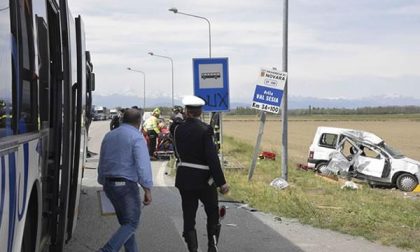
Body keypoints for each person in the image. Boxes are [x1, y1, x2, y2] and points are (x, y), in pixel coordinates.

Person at [170, 95, 229, 252]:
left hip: (184, 178)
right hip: (204, 180)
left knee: (189, 215)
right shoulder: (205, 130)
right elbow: (212, 158)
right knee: (212, 212)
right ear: (200, 111)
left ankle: (192, 249)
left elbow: (177, 152)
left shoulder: (177, 129)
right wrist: (221, 182)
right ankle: (212, 245)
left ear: (186, 111)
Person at [97, 108, 153, 252]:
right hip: (126, 186)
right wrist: (147, 189)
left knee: (126, 224)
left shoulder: (109, 136)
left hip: (110, 185)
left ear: (123, 119)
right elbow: (143, 165)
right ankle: (107, 250)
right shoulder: (137, 137)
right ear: (139, 122)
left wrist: (103, 181)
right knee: (132, 223)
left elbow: (102, 161)